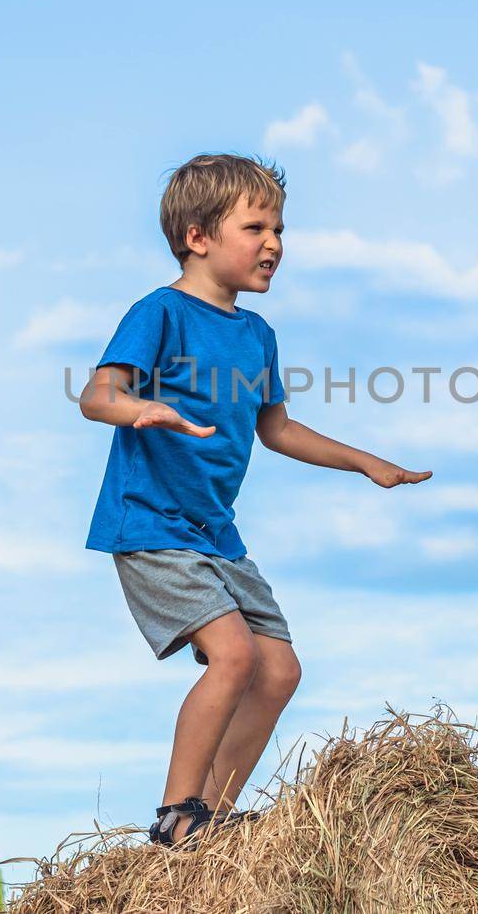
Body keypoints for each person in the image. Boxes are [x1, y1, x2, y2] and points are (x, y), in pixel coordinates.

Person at [78, 152, 432, 848]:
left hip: (216, 533)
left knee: (279, 669)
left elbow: (277, 429)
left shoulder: (257, 335)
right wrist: (140, 409)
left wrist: (364, 461)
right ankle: (177, 812)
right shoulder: (160, 313)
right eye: (256, 226)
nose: (275, 243)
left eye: (280, 229)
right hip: (150, 521)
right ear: (198, 236)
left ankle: (213, 816)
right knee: (234, 656)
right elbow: (97, 394)